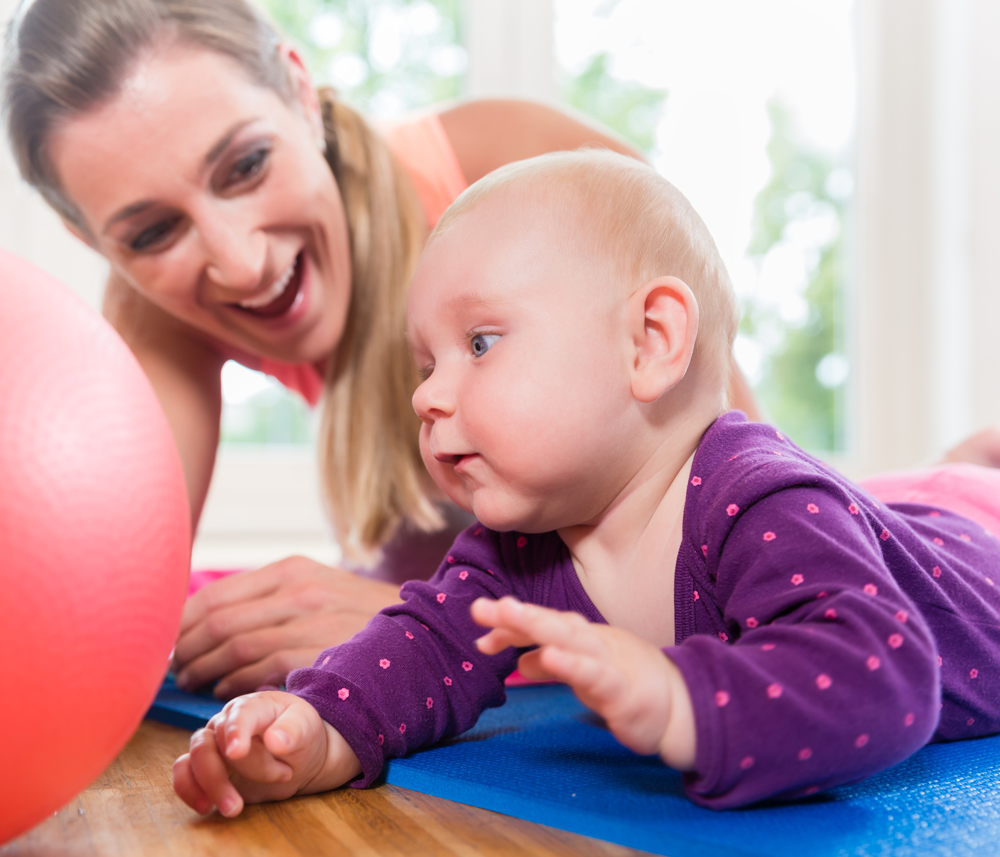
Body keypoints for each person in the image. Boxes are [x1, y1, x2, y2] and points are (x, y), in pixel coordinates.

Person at [171, 150, 1000, 814]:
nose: (426, 394)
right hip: (888, 513)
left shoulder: (759, 500)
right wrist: (316, 728)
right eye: (425, 363)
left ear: (650, 342)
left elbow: (883, 678)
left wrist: (681, 701)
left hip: (974, 541)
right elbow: (424, 647)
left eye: (482, 342)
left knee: (960, 489)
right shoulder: (521, 546)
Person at [3, 0, 759, 699]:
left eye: (245, 166)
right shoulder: (157, 314)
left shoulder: (525, 178)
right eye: (150, 232)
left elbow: (743, 568)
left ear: (301, 90)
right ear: (91, 241)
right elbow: (99, 608)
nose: (242, 263)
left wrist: (420, 631)